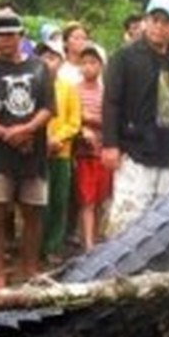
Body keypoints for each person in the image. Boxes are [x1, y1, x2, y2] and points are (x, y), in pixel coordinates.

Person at [0, 9, 54, 288]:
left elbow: (47, 108)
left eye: (9, 34)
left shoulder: (40, 68)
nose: (4, 40)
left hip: (34, 151)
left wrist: (27, 129)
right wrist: (6, 132)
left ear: (20, 35)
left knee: (33, 210)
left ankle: (29, 268)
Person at [102, 0, 169, 236]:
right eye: (155, 20)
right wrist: (110, 144)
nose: (159, 27)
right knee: (127, 221)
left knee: (163, 225)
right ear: (145, 22)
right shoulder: (125, 57)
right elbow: (112, 101)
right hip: (135, 151)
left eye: (166, 22)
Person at [37, 40, 80, 264]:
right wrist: (43, 139)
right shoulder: (33, 84)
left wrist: (58, 138)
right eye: (44, 56)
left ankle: (53, 245)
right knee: (37, 200)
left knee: (59, 200)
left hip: (62, 152)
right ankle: (35, 245)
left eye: (52, 57)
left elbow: (74, 121)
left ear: (61, 61)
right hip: (37, 151)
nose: (47, 61)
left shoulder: (68, 88)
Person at [72, 42, 110, 252]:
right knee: (86, 200)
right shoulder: (74, 91)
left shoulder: (106, 92)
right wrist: (85, 122)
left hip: (102, 152)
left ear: (101, 66)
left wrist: (89, 118)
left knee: (100, 198)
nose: (88, 67)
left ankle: (95, 239)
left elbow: (110, 119)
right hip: (83, 154)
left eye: (93, 63)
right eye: (84, 63)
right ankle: (87, 244)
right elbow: (72, 118)